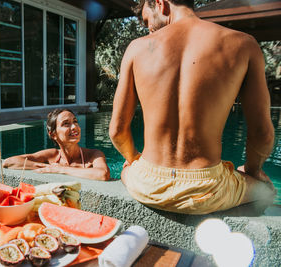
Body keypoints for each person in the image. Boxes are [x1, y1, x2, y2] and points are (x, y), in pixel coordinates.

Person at [109, 0, 276, 214]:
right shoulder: (244, 44)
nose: (147, 27)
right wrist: (253, 171)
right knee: (266, 191)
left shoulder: (136, 48)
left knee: (130, 168)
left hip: (147, 185)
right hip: (207, 189)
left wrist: (132, 159)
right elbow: (263, 134)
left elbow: (116, 131)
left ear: (160, 4)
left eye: (146, 19)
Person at [3, 108, 110, 181]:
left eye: (75, 121)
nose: (74, 127)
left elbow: (103, 174)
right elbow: (9, 162)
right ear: (53, 134)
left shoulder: (94, 155)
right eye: (66, 124)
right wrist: (47, 167)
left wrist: (60, 169)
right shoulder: (52, 155)